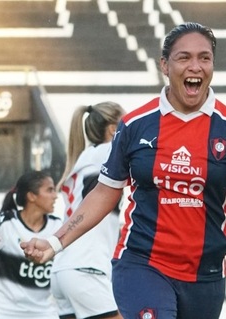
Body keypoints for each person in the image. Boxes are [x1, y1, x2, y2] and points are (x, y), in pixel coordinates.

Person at [21, 22, 226, 319]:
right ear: (165, 66)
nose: (195, 66)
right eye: (184, 58)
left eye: (204, 58)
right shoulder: (136, 125)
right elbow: (104, 192)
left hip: (205, 274)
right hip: (142, 264)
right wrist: (55, 241)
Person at [52, 102, 125, 319]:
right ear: (113, 129)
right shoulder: (109, 150)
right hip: (86, 267)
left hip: (63, 269)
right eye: (126, 122)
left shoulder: (85, 157)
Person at [0, 170, 62, 319]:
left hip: (42, 314)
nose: (55, 196)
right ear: (31, 196)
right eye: (49, 190)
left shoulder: (57, 226)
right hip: (2, 312)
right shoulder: (6, 223)